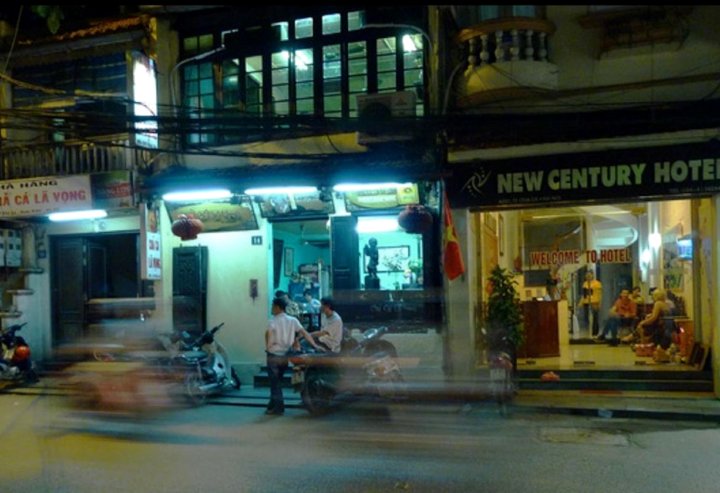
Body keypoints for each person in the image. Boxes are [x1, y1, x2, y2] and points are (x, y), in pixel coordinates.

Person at [264, 297, 321, 415]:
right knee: (277, 381)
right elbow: (305, 333)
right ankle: (272, 404)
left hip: (274, 354)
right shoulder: (292, 320)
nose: (271, 308)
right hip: (285, 354)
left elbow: (268, 336)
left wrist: (268, 348)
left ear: (278, 307)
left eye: (272, 306)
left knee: (275, 383)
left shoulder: (272, 321)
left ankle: (278, 408)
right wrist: (314, 345)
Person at [578, 270, 602, 336]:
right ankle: (587, 331)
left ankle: (595, 332)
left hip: (595, 301)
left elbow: (600, 294)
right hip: (586, 302)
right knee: (586, 317)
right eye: (587, 275)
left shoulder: (597, 283)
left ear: (592, 275)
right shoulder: (585, 283)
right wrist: (581, 302)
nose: (588, 276)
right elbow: (584, 294)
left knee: (595, 317)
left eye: (589, 275)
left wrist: (600, 302)